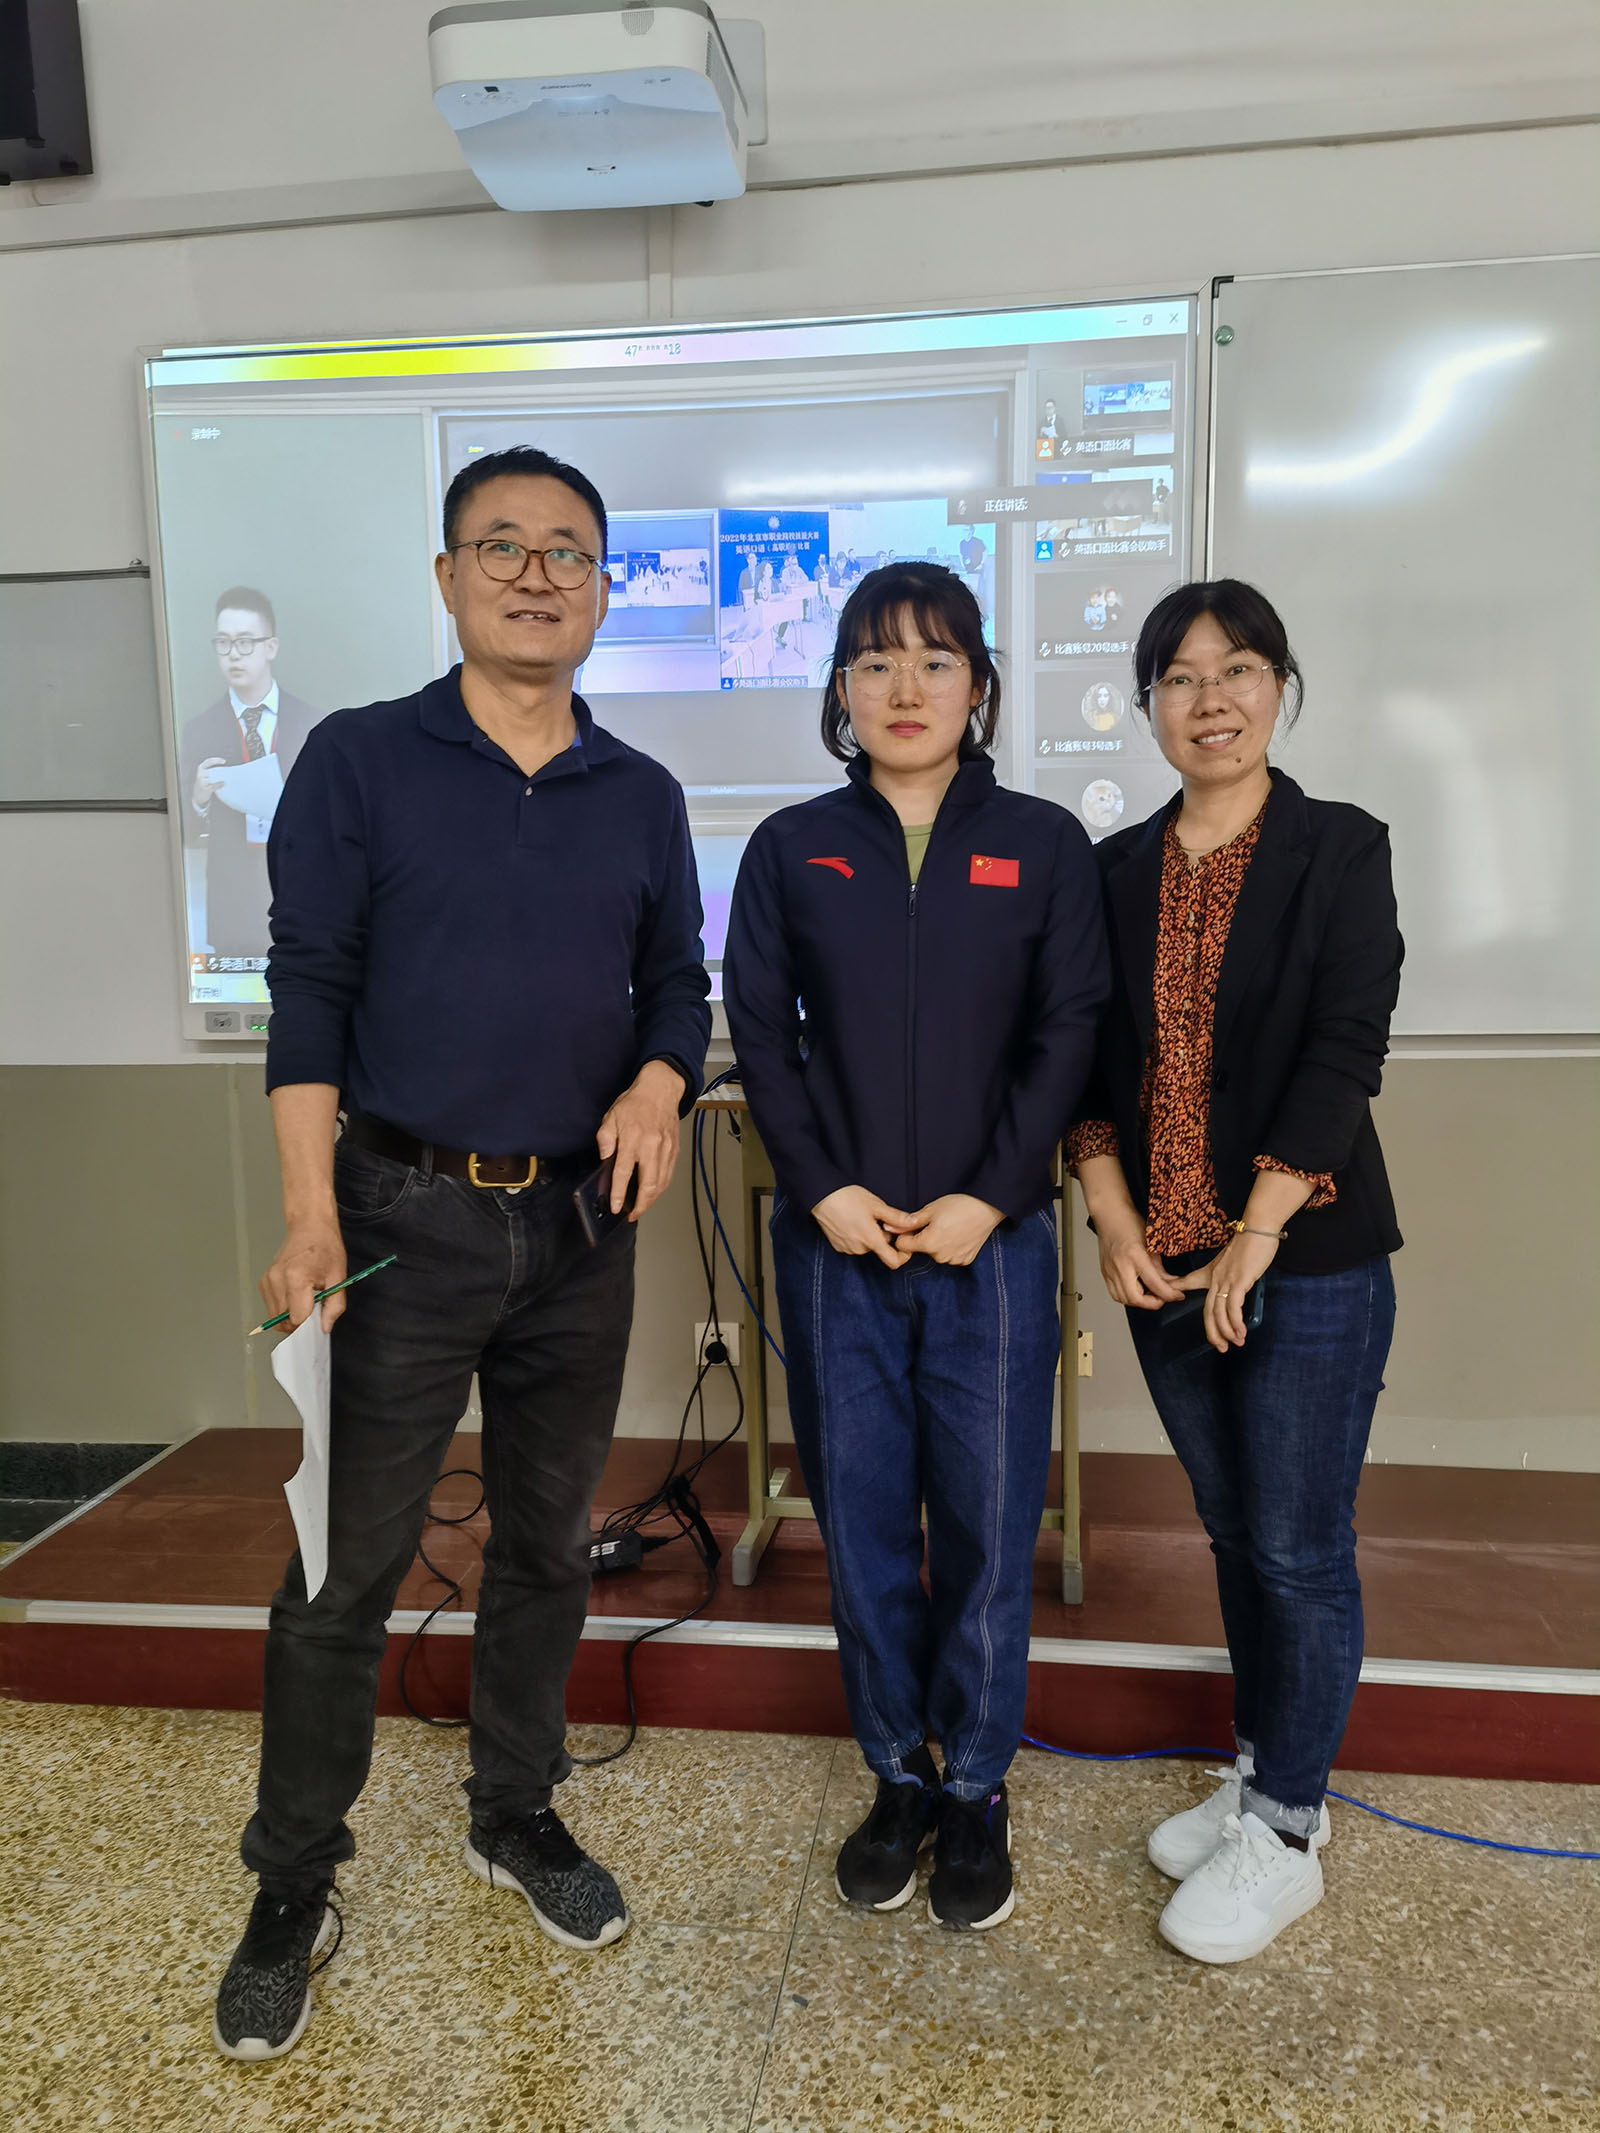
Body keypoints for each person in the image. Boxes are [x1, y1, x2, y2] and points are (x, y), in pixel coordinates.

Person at [212, 445, 711, 2061]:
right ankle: (294, 1876)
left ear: (604, 591)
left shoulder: (640, 793)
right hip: (397, 1220)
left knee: (549, 1544)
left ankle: (516, 1808)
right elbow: (309, 991)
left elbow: (676, 987)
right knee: (344, 1568)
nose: (536, 573)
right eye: (501, 544)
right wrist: (309, 1213)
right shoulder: (361, 759)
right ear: (447, 579)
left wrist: (658, 1080)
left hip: (580, 1226)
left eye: (569, 550)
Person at [724, 563, 1108, 1932]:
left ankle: (977, 1787)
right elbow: (760, 1028)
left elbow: (1071, 1029)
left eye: (935, 660)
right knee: (865, 1526)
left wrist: (992, 1196)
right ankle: (897, 1771)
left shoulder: (1043, 844)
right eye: (876, 661)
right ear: (840, 688)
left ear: (979, 686)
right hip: (837, 1247)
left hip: (988, 1250)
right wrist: (821, 1187)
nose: (905, 687)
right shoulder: (791, 846)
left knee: (990, 1533)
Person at [1067, 578, 1402, 1965]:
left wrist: (1254, 1237)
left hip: (1304, 1262)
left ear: (1280, 687)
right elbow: (1086, 1074)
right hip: (1164, 1272)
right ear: (1148, 705)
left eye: (1240, 669)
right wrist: (1114, 1222)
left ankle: (1289, 1829)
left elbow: (1343, 1051)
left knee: (1299, 1548)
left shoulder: (1340, 848)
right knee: (1233, 1535)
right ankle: (1265, 1772)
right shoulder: (1112, 872)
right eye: (1180, 678)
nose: (1211, 700)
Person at [179, 589, 322, 962]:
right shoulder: (199, 730)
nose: (233, 654)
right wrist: (197, 798)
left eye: (244, 642)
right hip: (234, 905)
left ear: (270, 647)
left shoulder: (312, 723)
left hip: (304, 895)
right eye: (223, 643)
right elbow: (182, 831)